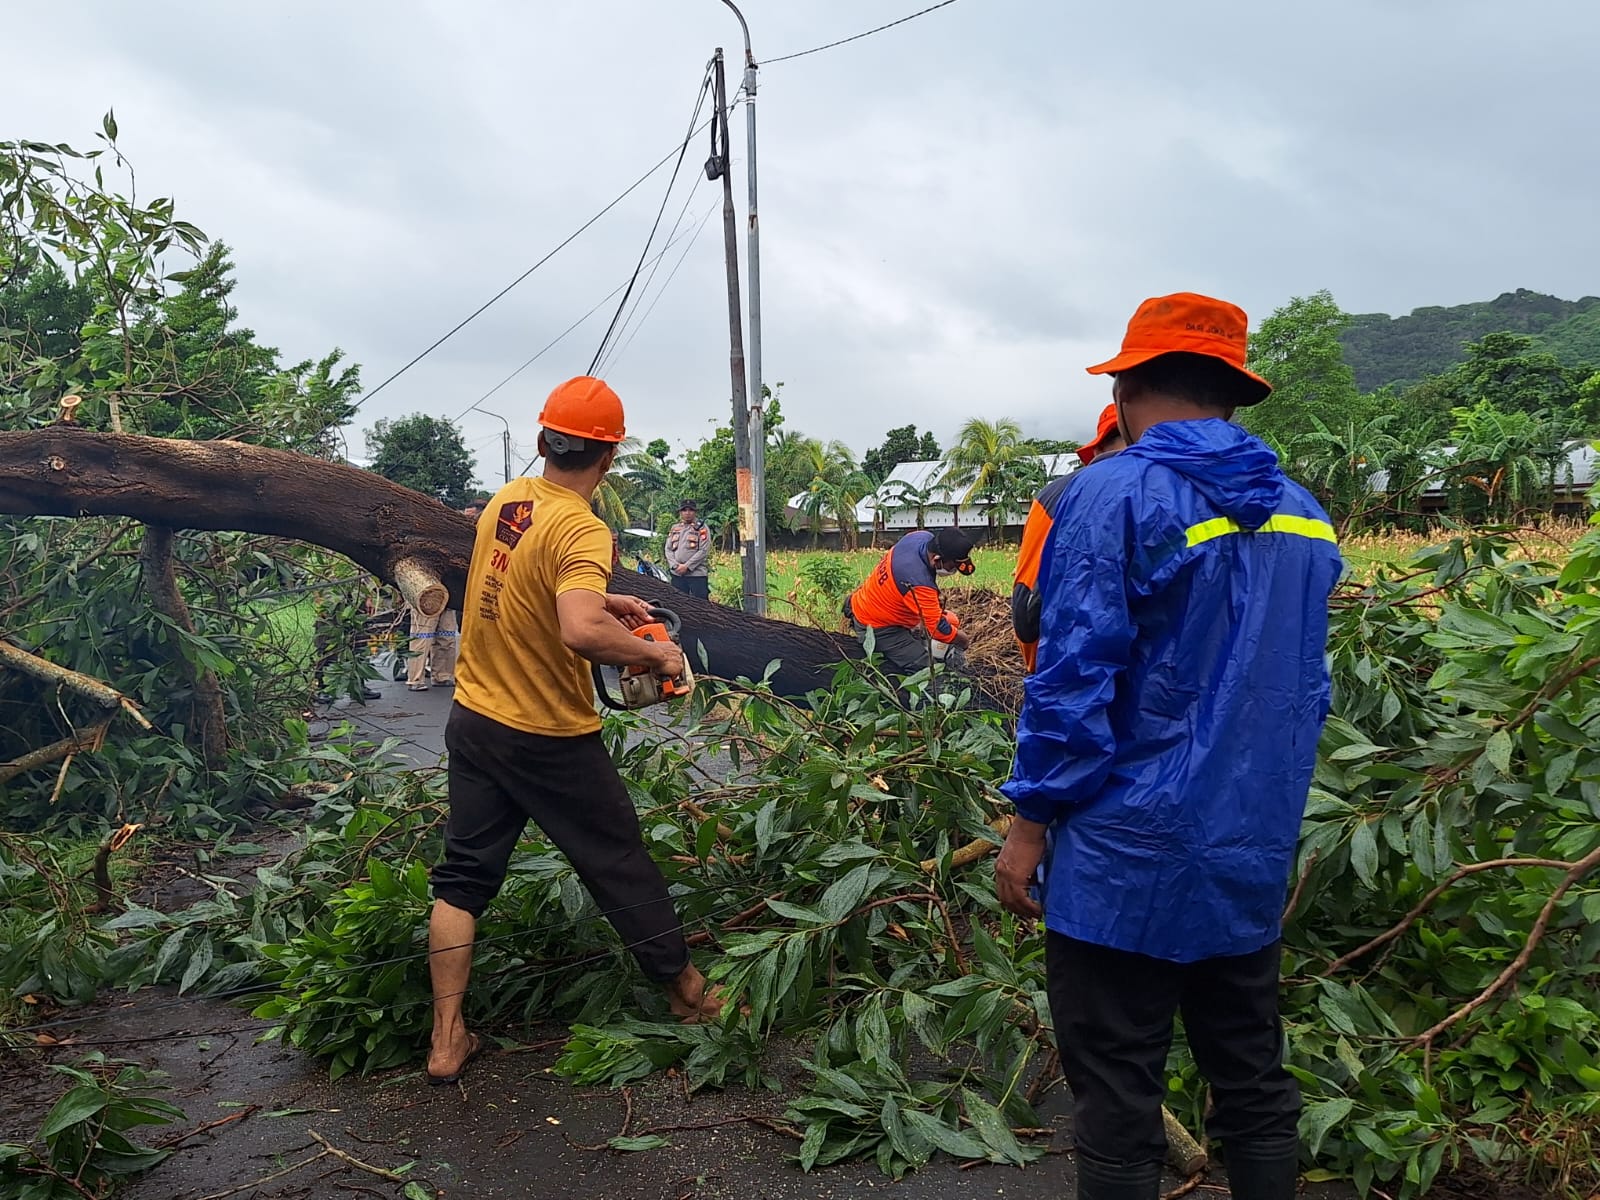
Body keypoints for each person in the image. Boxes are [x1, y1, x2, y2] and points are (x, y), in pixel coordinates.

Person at [993, 293, 1344, 1200]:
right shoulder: (1305, 513)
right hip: (1247, 851)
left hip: (1124, 861)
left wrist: (1029, 826)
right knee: (1254, 1079)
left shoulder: (1109, 494)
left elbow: (1073, 683)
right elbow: (1308, 689)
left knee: (1117, 1095)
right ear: (1231, 393)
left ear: (1131, 385)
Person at [426, 376, 723, 1085]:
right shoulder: (585, 527)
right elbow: (578, 627)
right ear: (609, 459)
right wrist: (657, 652)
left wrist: (607, 594)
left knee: (462, 878)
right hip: (545, 735)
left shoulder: (508, 500)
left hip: (473, 718)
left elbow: (519, 584)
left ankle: (445, 1040)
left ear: (541, 442)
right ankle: (689, 996)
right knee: (618, 861)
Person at [1011, 403, 1126, 673]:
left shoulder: (1054, 496)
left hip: (1071, 668)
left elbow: (1025, 612)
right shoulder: (1189, 489)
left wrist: (1036, 666)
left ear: (1096, 450)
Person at [843, 527, 973, 674]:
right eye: (952, 566)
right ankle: (927, 692)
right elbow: (938, 630)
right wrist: (964, 641)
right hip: (876, 626)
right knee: (929, 672)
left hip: (872, 599)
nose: (953, 570)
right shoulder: (918, 582)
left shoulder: (919, 537)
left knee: (952, 621)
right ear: (937, 559)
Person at [664, 500, 711, 600]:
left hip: (697, 575)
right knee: (678, 604)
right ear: (680, 512)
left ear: (695, 512)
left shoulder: (702, 528)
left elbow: (703, 550)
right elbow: (668, 549)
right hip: (677, 574)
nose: (687, 513)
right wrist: (675, 565)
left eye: (691, 510)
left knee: (701, 605)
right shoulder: (675, 528)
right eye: (684, 510)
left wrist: (687, 566)